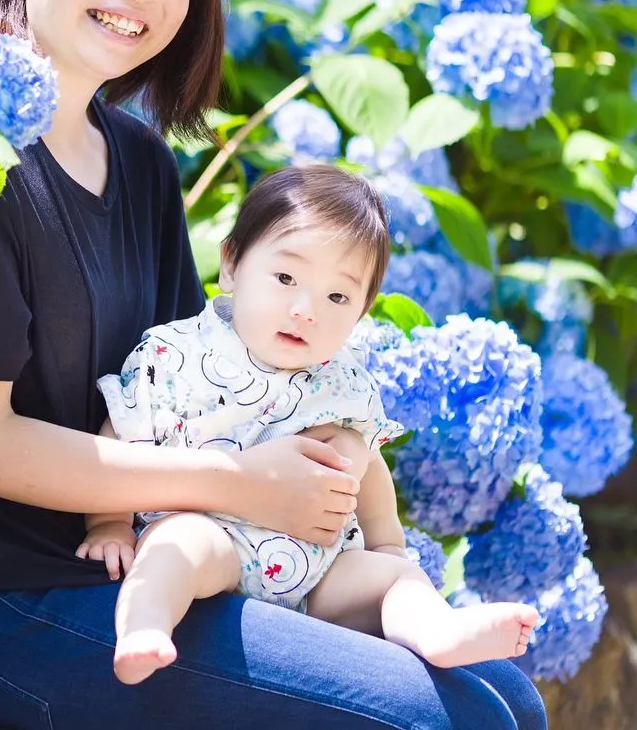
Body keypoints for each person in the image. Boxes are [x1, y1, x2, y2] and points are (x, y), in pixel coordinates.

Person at [0, 0, 546, 730]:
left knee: (506, 698)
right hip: (4, 602)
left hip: (164, 560)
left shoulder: (139, 159)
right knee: (435, 719)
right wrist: (243, 484)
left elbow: (189, 377)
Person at [82, 164, 538, 685]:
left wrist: (387, 547)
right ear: (231, 266)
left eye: (337, 297)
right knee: (175, 546)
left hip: (317, 568)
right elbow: (121, 431)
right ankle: (146, 627)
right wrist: (110, 524)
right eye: (285, 278)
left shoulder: (343, 380)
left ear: (362, 311)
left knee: (397, 580)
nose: (305, 310)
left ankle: (438, 633)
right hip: (217, 542)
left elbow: (365, 469)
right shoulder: (176, 351)